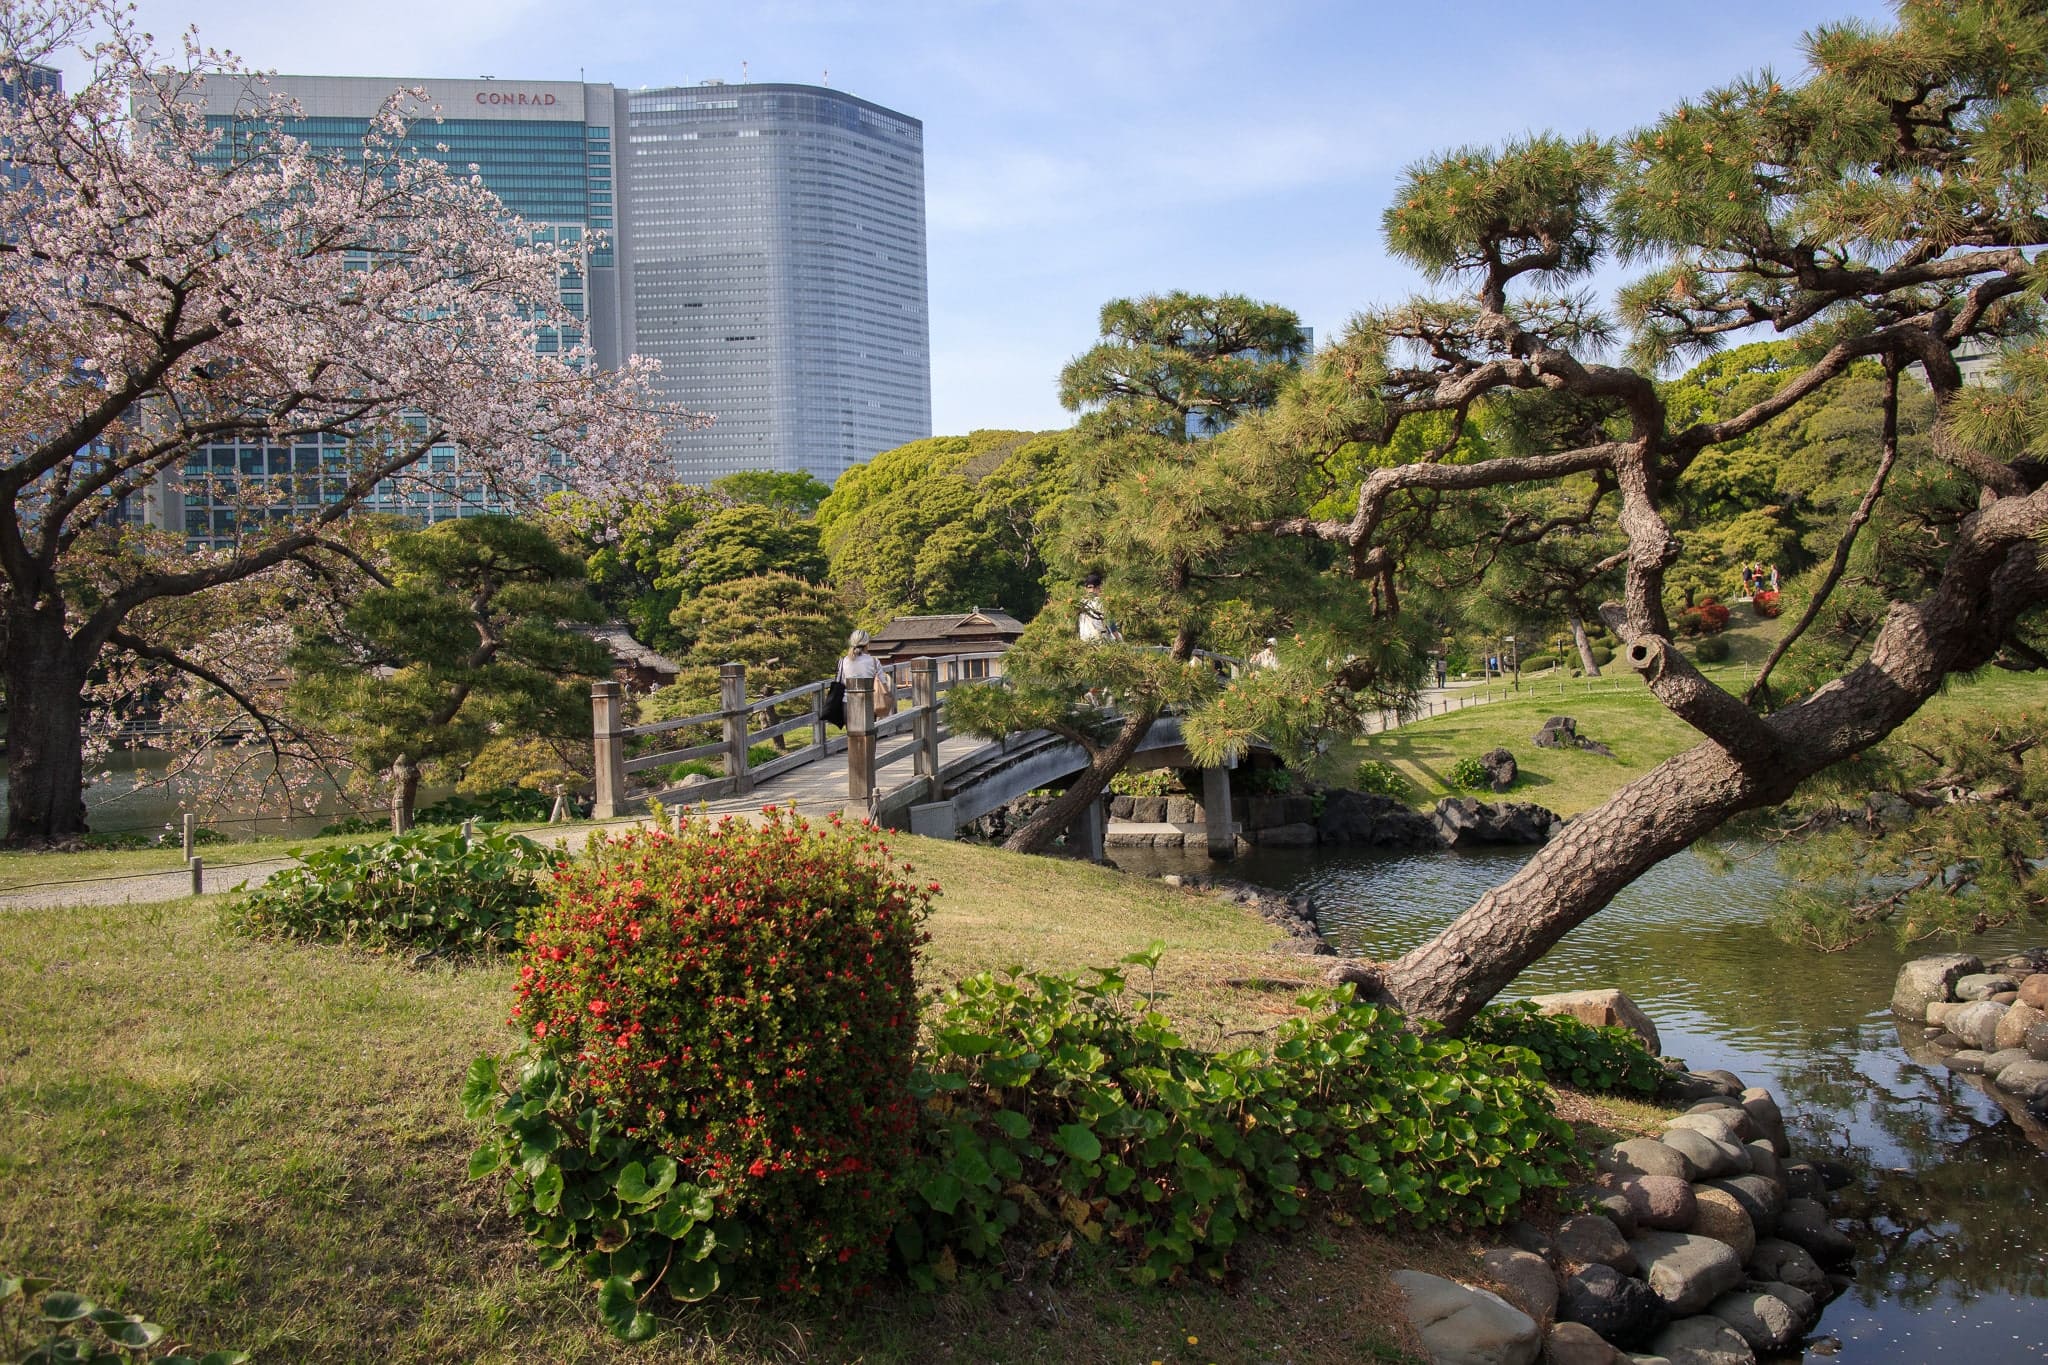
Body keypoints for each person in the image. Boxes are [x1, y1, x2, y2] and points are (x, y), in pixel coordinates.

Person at [837, 629, 891, 718]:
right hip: (868, 703)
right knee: (869, 731)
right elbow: (883, 683)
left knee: (851, 732)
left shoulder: (843, 661)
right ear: (867, 644)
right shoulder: (873, 661)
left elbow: (841, 682)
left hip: (848, 703)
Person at [1078, 572, 1118, 642]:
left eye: (1095, 587)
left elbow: (1111, 623)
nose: (1092, 590)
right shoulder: (1081, 603)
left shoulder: (1081, 603)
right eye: (1090, 587)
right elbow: (1111, 624)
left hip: (1090, 640)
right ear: (1085, 588)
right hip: (1096, 641)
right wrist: (1119, 642)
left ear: (1099, 588)